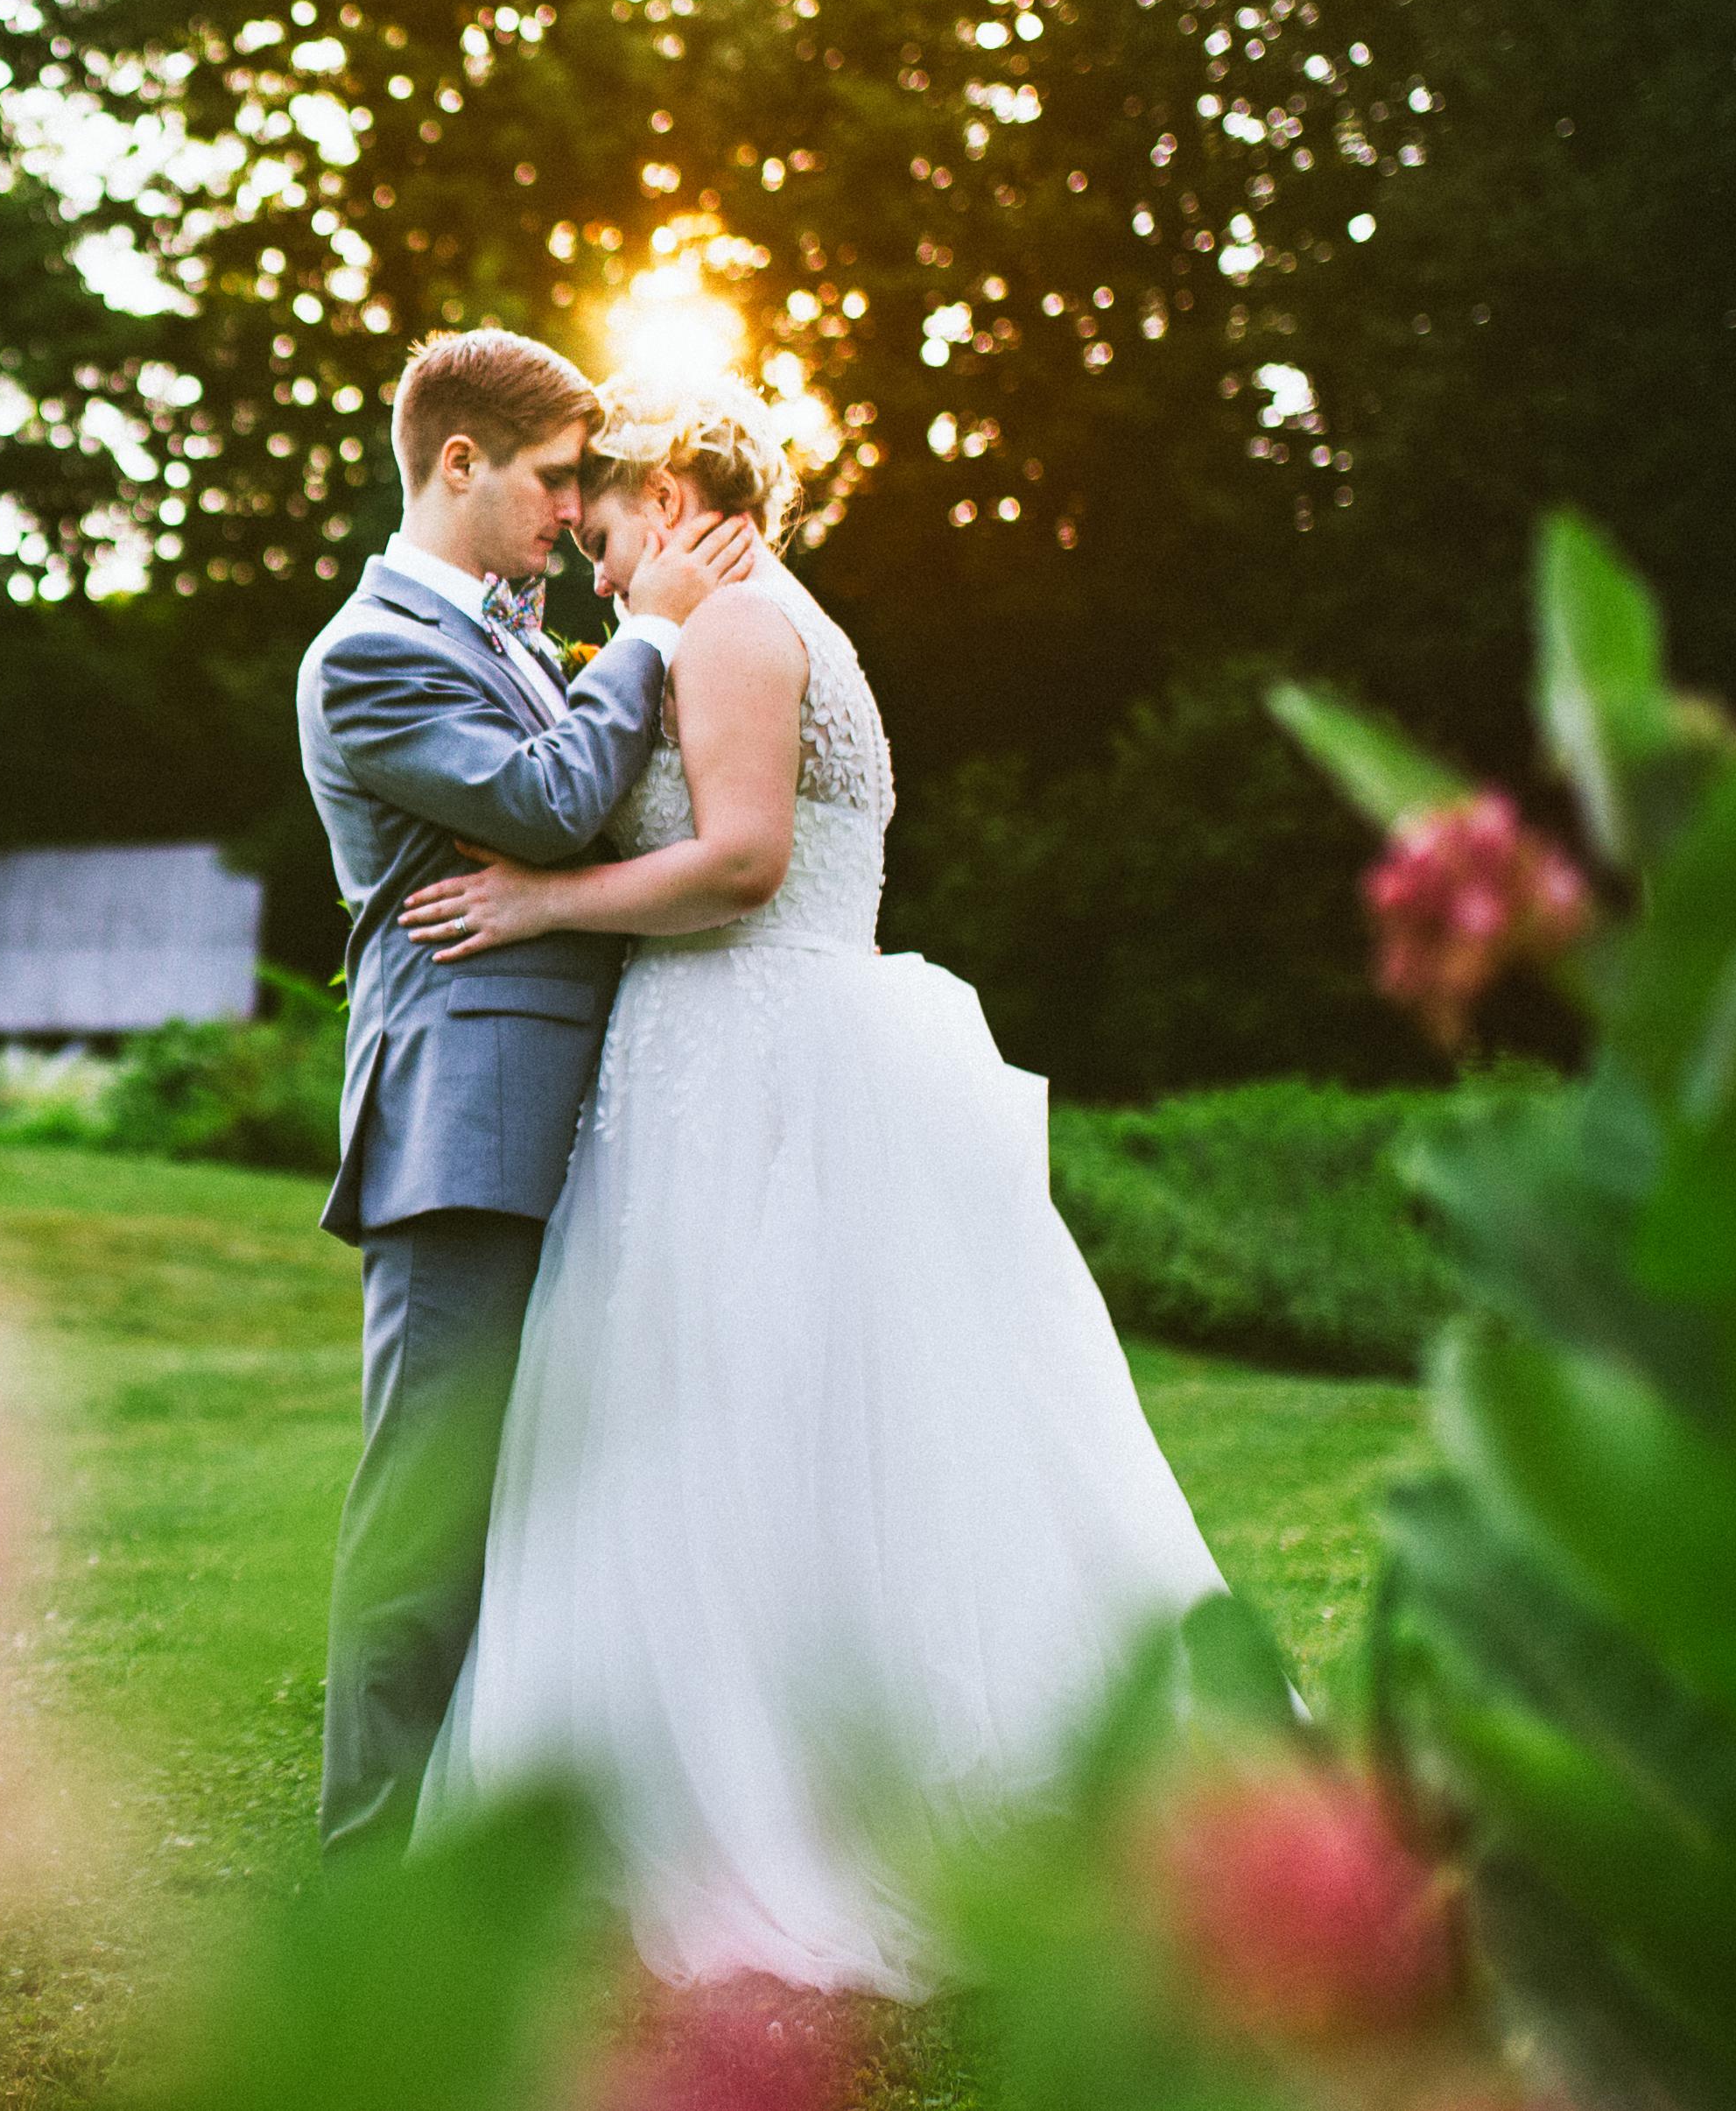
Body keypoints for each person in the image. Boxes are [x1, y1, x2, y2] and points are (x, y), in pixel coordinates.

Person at [390, 360, 1232, 1990]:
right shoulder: (739, 622)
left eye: (611, 519)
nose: (595, 552)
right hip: (719, 1045)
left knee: (752, 1412)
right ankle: (727, 1756)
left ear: (678, 501)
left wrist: (541, 906)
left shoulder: (742, 624)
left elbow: (745, 859)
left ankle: (784, 1799)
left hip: (753, 1052)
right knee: (736, 1425)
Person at [289, 328, 756, 1864]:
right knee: (427, 1515)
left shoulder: (505, 630)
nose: (573, 511)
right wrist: (661, 632)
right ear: (460, 464)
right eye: (554, 480)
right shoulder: (367, 654)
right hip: (464, 1128)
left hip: (585, 1113)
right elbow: (553, 804)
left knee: (555, 1501)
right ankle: (362, 1880)